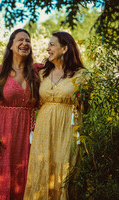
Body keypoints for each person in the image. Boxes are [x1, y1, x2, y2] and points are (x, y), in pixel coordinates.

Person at [24, 32, 90, 200]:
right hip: (44, 129)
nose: (48, 48)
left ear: (65, 48)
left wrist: (83, 98)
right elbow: (36, 102)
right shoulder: (42, 74)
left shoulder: (82, 75)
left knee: (64, 168)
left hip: (68, 128)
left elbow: (85, 109)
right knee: (42, 166)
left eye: (52, 45)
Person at [0, 29, 41, 200]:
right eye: (20, 40)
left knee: (25, 176)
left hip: (28, 134)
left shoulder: (37, 72)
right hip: (2, 132)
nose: (25, 43)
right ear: (11, 45)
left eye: (28, 40)